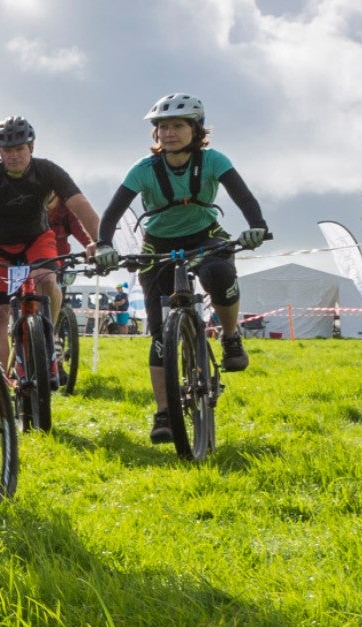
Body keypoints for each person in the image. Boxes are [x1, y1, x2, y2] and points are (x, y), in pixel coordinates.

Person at [93, 93, 272, 443]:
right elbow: (112, 214)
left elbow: (245, 198)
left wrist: (256, 227)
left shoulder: (214, 160)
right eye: (162, 127)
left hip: (205, 236)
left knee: (219, 274)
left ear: (196, 129)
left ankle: (231, 338)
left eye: (178, 126)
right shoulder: (143, 170)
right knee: (160, 335)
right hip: (158, 245)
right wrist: (103, 245)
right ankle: (163, 412)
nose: (169, 133)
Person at [0, 116, 100, 380]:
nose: (13, 156)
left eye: (19, 149)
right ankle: (0, 386)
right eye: (7, 150)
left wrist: (100, 242)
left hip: (37, 239)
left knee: (46, 280)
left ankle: (49, 335)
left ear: (31, 148)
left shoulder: (47, 171)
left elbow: (79, 204)